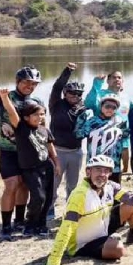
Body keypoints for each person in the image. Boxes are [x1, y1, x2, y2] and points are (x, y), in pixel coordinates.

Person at [29, 155, 133, 265]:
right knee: (119, 250)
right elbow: (66, 228)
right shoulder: (80, 195)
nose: (102, 174)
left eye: (106, 171)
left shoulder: (111, 186)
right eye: (98, 169)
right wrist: (53, 263)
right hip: (84, 243)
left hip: (102, 227)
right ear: (88, 172)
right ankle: (107, 242)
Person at [0, 46, 43, 241]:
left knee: (24, 185)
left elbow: (42, 127)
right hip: (8, 150)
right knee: (12, 184)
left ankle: (19, 221)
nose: (29, 86)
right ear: (18, 81)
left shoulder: (36, 101)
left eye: (33, 84)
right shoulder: (4, 95)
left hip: (28, 152)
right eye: (26, 82)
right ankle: (6, 227)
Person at [0, 90, 60, 237]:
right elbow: (12, 112)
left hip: (47, 166)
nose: (40, 117)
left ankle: (41, 224)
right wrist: (5, 98)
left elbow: (50, 147)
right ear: (26, 117)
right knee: (38, 197)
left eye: (42, 114)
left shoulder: (44, 130)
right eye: (36, 115)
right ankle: (30, 224)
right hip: (31, 169)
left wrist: (57, 163)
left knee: (48, 198)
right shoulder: (22, 128)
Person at [47, 62, 85, 216]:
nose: (75, 96)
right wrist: (68, 71)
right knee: (53, 182)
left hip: (76, 152)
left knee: (73, 185)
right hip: (58, 152)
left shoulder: (82, 108)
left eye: (79, 94)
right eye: (72, 93)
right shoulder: (56, 104)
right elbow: (56, 87)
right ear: (65, 93)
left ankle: (71, 210)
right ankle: (49, 209)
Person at [74, 93, 130, 184]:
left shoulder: (121, 122)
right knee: (93, 190)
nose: (110, 109)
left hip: (113, 167)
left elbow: (125, 144)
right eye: (107, 106)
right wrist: (82, 116)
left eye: (114, 107)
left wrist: (125, 164)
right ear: (101, 107)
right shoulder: (92, 121)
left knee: (114, 191)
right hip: (94, 166)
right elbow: (78, 135)